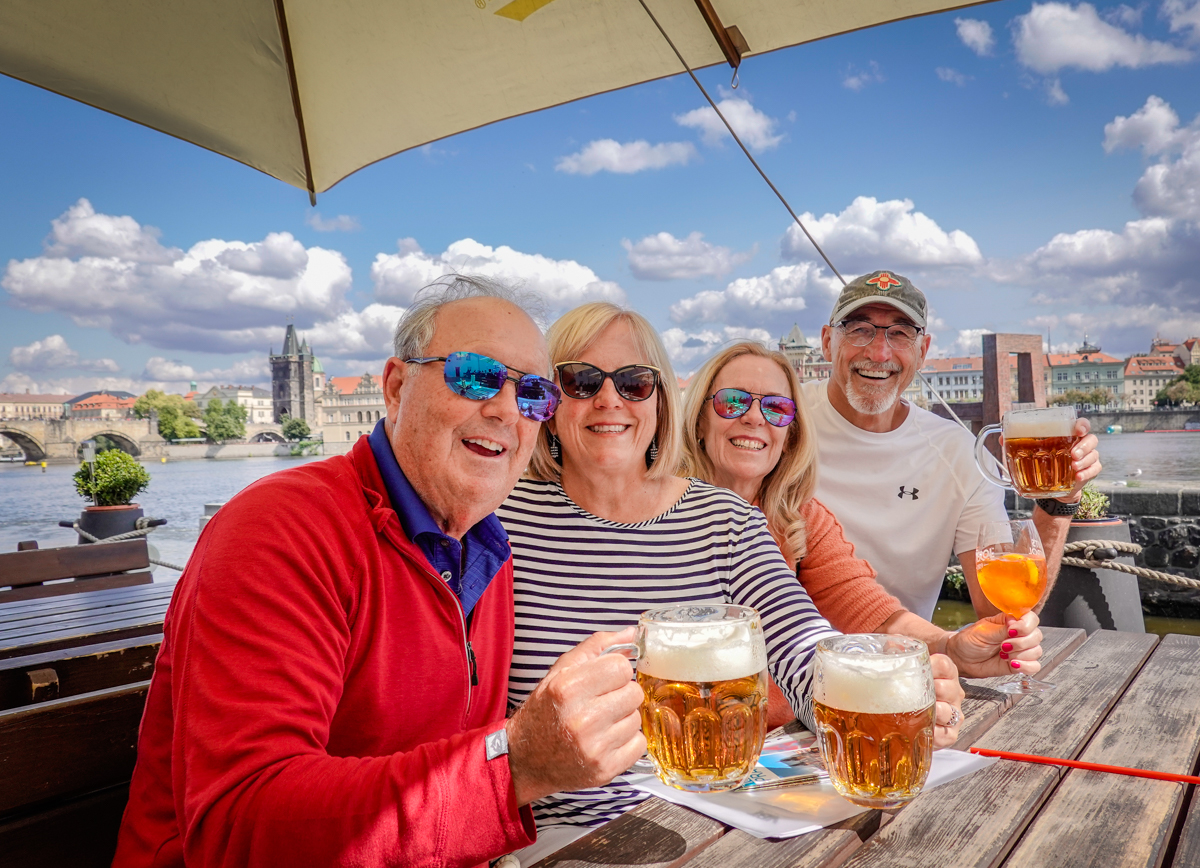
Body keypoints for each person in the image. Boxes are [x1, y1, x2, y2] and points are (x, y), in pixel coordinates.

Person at [113, 278, 647, 868]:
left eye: (533, 395)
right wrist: (516, 764)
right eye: (475, 376)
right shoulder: (280, 528)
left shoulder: (485, 547)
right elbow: (238, 827)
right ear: (395, 387)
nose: (504, 409)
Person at [495, 302, 966, 855]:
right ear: (549, 403)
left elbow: (802, 646)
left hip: (707, 828)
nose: (609, 399)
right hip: (554, 839)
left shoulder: (726, 520)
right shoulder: (497, 519)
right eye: (581, 381)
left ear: (660, 402)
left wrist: (890, 685)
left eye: (633, 382)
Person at [680, 340, 1044, 726]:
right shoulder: (660, 512)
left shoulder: (798, 519)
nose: (755, 417)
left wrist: (951, 648)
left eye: (776, 408)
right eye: (733, 401)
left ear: (789, 437)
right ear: (699, 420)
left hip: (776, 742)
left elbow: (870, 611)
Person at [801, 270, 1102, 621]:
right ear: (827, 342)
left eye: (900, 333)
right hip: (781, 652)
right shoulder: (777, 420)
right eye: (859, 329)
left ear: (923, 351)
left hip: (908, 653)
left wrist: (1060, 501)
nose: (880, 353)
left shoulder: (959, 454)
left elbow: (1003, 610)